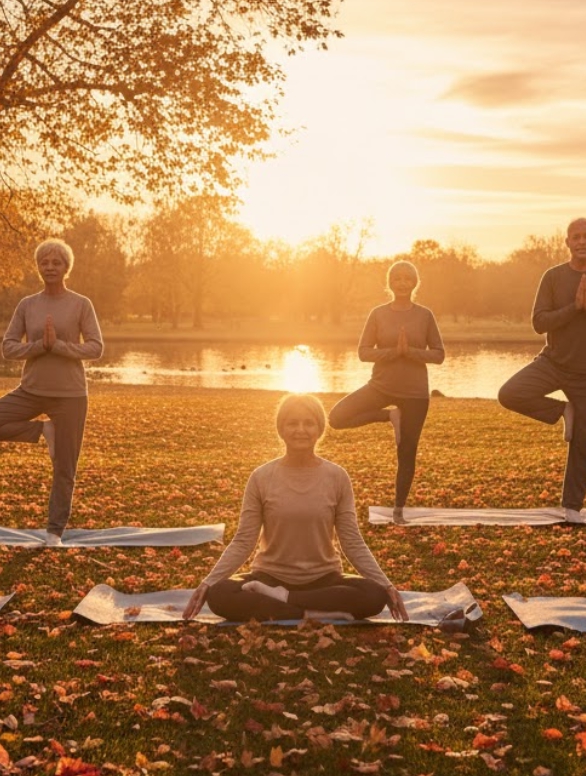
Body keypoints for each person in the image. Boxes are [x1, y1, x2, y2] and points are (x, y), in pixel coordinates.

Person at [183, 394, 408, 623]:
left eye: (308, 423)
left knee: (373, 595)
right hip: (268, 577)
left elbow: (351, 541)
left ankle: (285, 601)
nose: (300, 430)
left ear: (319, 429)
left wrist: (385, 583)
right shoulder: (261, 477)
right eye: (292, 423)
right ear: (281, 429)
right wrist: (209, 582)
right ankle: (311, 611)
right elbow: (243, 540)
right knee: (220, 594)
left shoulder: (337, 477)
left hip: (324, 579)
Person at [0, 238, 104, 545]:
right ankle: (43, 430)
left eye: (56, 262)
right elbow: (8, 347)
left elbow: (96, 347)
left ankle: (54, 532)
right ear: (38, 267)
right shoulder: (27, 305)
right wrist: (38, 346)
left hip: (70, 395)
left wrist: (57, 345)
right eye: (45, 262)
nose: (50, 267)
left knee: (65, 467)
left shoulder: (81, 304)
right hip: (30, 390)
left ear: (66, 267)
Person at [496, 217, 586, 520]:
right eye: (576, 236)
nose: (582, 241)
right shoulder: (553, 277)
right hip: (553, 363)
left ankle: (572, 508)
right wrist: (574, 308)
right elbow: (538, 322)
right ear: (567, 242)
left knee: (584, 443)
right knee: (510, 393)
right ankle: (562, 411)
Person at [328, 261, 444, 524]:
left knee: (407, 452)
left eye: (407, 279)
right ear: (390, 283)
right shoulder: (378, 314)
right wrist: (393, 353)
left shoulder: (425, 315)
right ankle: (390, 417)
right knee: (336, 417)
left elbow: (439, 354)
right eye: (397, 278)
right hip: (381, 386)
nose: (402, 283)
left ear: (415, 283)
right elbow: (363, 352)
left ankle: (399, 511)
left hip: (415, 393)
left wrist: (411, 353)